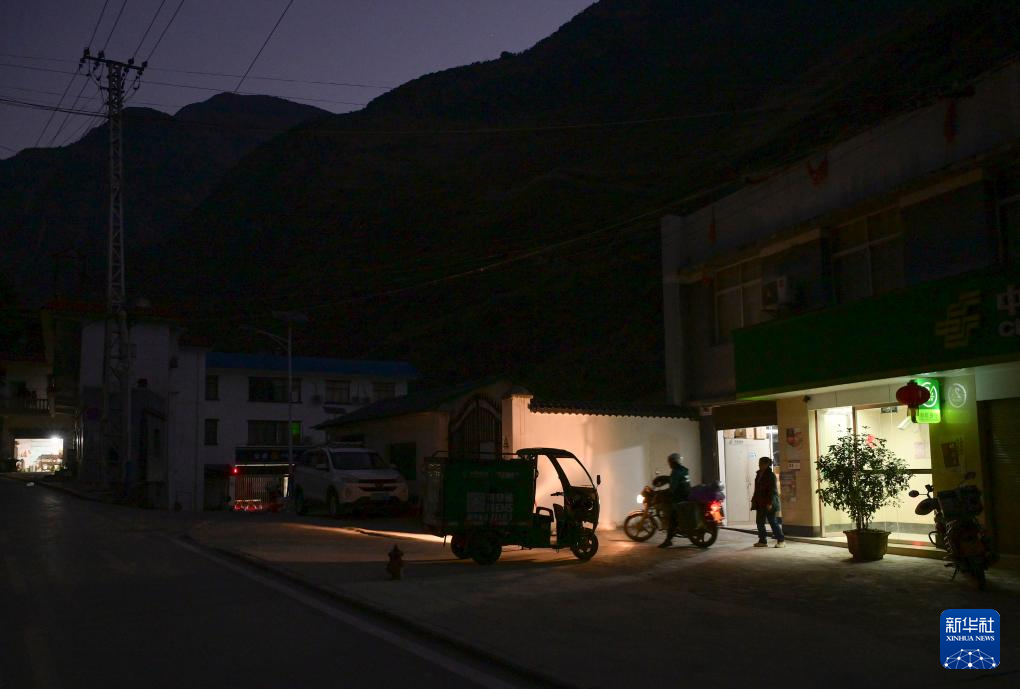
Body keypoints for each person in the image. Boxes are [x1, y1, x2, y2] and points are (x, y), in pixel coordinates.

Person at [658, 453, 691, 548]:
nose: (669, 464)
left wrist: (663, 492)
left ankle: (668, 540)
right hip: (687, 496)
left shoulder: (676, 472)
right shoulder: (684, 470)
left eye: (669, 462)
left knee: (672, 517)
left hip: (679, 498)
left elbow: (673, 488)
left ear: (673, 462)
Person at [752, 456, 785, 548]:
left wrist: (769, 503)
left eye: (761, 463)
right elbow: (757, 489)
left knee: (772, 521)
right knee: (759, 522)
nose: (759, 465)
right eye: (759, 463)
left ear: (766, 464)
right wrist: (754, 500)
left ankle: (781, 540)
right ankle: (762, 541)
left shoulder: (770, 475)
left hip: (769, 502)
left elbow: (772, 490)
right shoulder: (759, 474)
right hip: (760, 502)